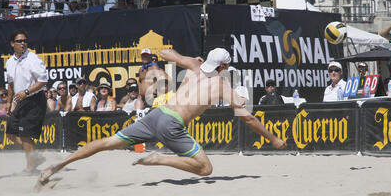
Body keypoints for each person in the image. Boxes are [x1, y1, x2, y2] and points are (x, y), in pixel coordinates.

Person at [37, 47, 287, 185]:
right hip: (172, 124)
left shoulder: (194, 65)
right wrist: (272, 138)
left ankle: (55, 166)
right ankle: (159, 159)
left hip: (157, 114)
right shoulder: (222, 84)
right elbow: (248, 118)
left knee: (106, 143)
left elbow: (164, 51)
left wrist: (191, 58)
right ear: (223, 67)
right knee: (206, 169)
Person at [5, 29, 48, 174]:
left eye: (25, 40)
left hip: (34, 100)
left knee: (25, 134)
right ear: (12, 44)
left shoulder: (33, 59)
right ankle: (35, 156)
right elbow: (10, 84)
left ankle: (31, 168)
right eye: (19, 41)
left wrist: (27, 91)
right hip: (20, 101)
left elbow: (43, 80)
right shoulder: (10, 61)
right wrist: (9, 102)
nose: (23, 43)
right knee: (10, 132)